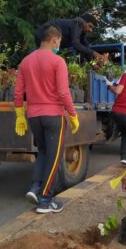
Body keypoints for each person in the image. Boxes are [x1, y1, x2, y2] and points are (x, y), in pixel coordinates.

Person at [14, 25, 80, 214]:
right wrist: (73, 114)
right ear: (54, 40)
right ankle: (45, 201)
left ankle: (35, 188)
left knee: (42, 153)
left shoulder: (25, 62)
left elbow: (18, 93)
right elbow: (63, 92)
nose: (59, 44)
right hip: (53, 116)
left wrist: (20, 115)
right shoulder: (57, 61)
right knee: (54, 158)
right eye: (59, 41)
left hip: (34, 116)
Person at [34, 13, 104, 61]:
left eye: (92, 28)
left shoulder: (82, 31)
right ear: (84, 22)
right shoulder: (77, 24)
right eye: (90, 26)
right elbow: (76, 44)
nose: (90, 30)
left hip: (51, 43)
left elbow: (86, 47)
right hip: (43, 36)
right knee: (45, 60)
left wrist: (93, 63)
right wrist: (95, 53)